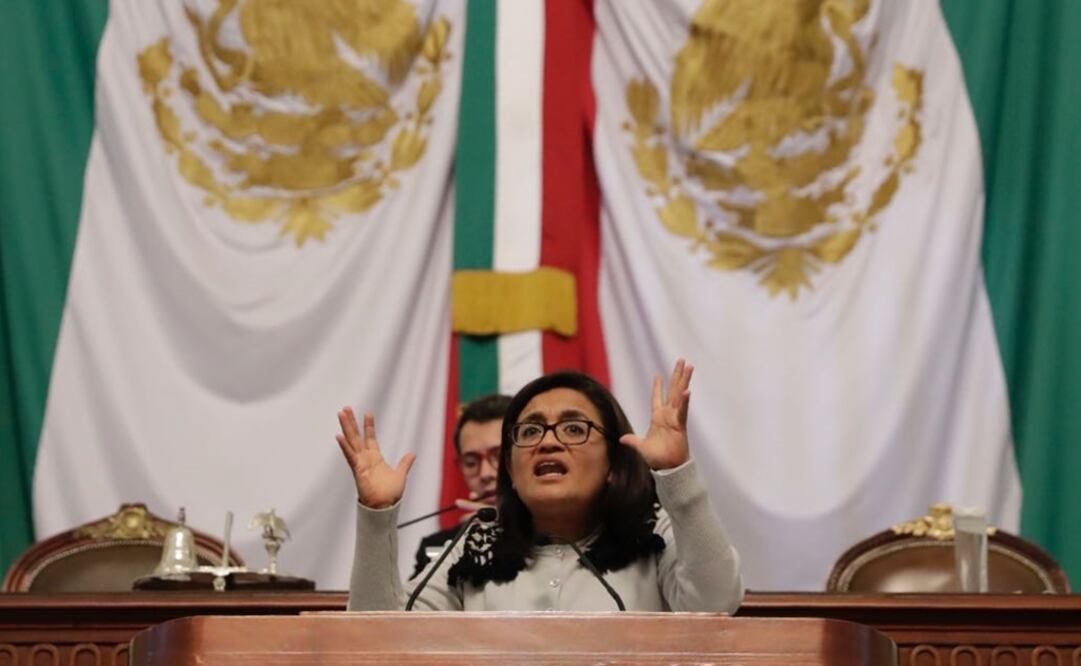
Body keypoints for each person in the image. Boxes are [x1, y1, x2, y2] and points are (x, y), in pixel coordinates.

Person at [336, 359, 742, 612]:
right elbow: (379, 642)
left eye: (574, 428)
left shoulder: (653, 535)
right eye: (530, 431)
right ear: (511, 472)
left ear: (614, 464)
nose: (548, 442)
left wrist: (676, 472)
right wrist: (377, 516)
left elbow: (716, 602)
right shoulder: (475, 546)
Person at [409, 394, 511, 579]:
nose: (485, 474)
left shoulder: (561, 535)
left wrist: (510, 533)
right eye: (471, 462)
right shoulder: (438, 548)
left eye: (498, 456)